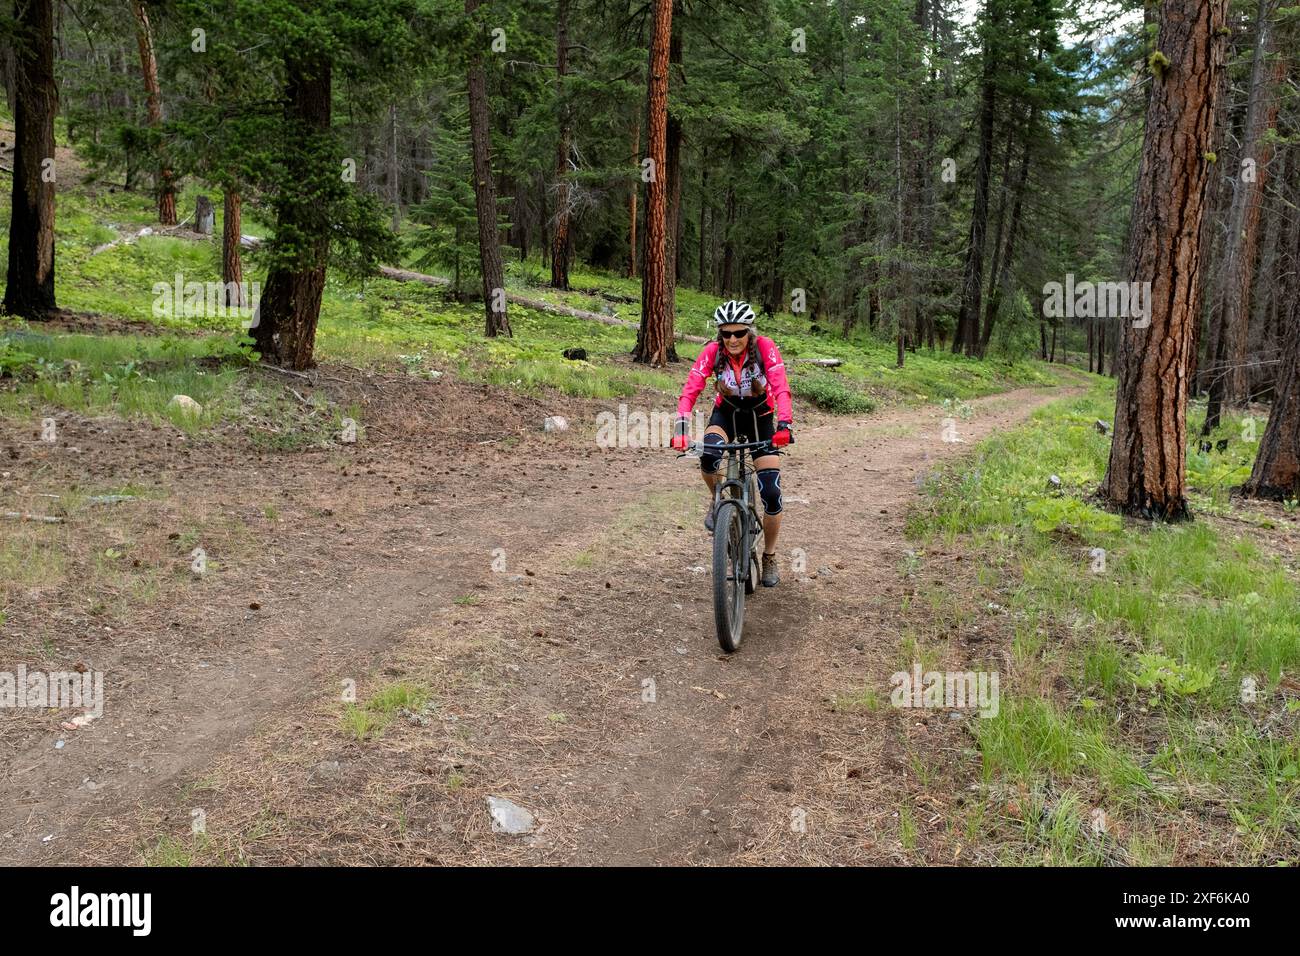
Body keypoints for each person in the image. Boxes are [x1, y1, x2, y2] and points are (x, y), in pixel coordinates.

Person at [671, 299, 793, 587]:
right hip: (726, 413)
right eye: (726, 334)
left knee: (772, 493)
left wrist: (784, 425)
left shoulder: (764, 347)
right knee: (708, 456)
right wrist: (680, 429)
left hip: (760, 417)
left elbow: (781, 386)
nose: (733, 339)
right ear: (720, 334)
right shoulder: (713, 353)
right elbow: (690, 390)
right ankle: (718, 502)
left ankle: (770, 555)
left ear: (749, 332)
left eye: (739, 333)